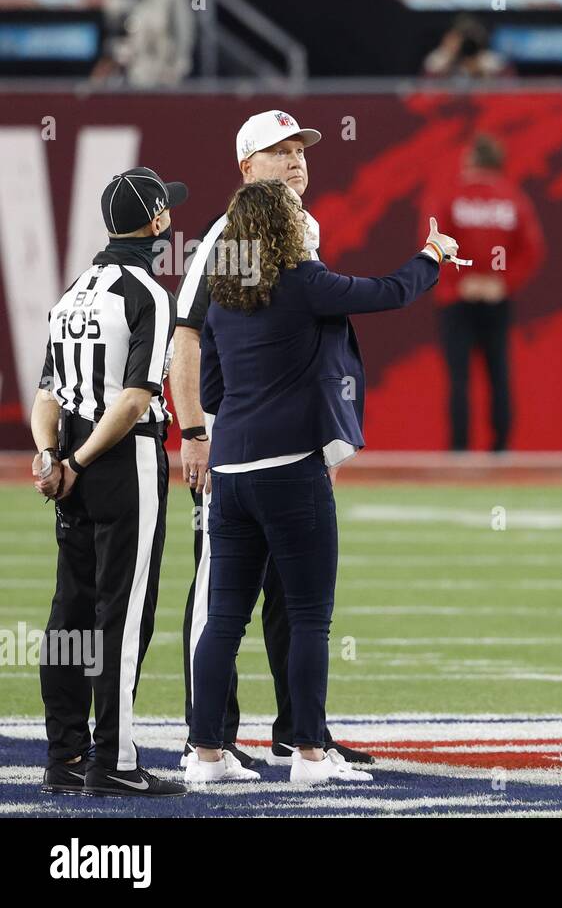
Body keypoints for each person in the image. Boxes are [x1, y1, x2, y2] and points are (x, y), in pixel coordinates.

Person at [185, 179, 459, 785]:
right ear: (285, 228)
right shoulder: (302, 282)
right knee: (309, 616)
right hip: (290, 468)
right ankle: (308, 753)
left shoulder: (225, 299)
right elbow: (386, 293)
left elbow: (210, 392)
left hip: (230, 472)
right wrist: (432, 256)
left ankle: (206, 753)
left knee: (224, 617)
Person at [173, 109, 371, 769]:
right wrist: (195, 429)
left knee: (291, 593)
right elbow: (188, 335)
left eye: (300, 150)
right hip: (235, 439)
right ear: (245, 168)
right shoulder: (227, 234)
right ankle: (209, 734)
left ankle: (298, 730)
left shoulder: (297, 228)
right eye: (277, 151)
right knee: (220, 592)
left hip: (288, 438)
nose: (295, 161)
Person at [31, 167, 186, 797]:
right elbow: (134, 398)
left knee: (70, 609)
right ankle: (114, 761)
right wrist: (84, 461)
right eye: (165, 210)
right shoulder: (146, 291)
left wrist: (53, 458)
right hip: (120, 461)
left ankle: (65, 755)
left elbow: (47, 390)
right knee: (122, 613)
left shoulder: (74, 291)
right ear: (155, 222)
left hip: (71, 460)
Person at [427, 134, 545, 451]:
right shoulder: (513, 198)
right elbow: (532, 250)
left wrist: (460, 280)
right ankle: (500, 450)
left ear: (470, 162)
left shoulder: (450, 194)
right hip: (496, 300)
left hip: (457, 301)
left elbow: (433, 243)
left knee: (459, 379)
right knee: (498, 375)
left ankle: (459, 452)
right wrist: (501, 282)